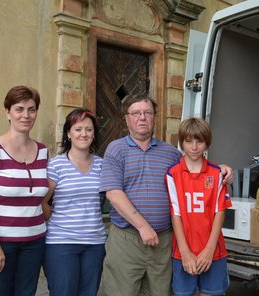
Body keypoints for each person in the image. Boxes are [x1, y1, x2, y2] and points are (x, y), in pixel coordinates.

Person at [98, 93, 233, 296]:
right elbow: (114, 194)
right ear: (127, 119)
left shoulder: (170, 153)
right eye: (136, 113)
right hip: (128, 239)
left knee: (160, 292)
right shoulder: (116, 149)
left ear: (154, 117)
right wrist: (143, 226)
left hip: (163, 242)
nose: (142, 117)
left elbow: (194, 165)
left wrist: (222, 169)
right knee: (121, 291)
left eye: (147, 112)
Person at [0, 85, 48, 296]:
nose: (26, 115)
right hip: (1, 241)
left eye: (32, 109)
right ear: (8, 112)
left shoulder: (43, 151)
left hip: (34, 242)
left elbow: (43, 195)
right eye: (19, 109)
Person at [42, 108, 107, 296]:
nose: (83, 134)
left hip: (95, 243)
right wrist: (57, 220)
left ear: (94, 134)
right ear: (69, 134)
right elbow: (43, 202)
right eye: (78, 129)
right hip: (61, 242)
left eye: (88, 129)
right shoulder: (55, 165)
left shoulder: (103, 165)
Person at [166, 117, 232, 296]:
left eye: (199, 141)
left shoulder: (217, 174)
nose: (194, 147)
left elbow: (220, 212)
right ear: (182, 143)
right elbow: (176, 214)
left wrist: (209, 250)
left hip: (213, 251)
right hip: (183, 252)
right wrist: (185, 252)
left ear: (207, 143)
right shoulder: (172, 174)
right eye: (188, 141)